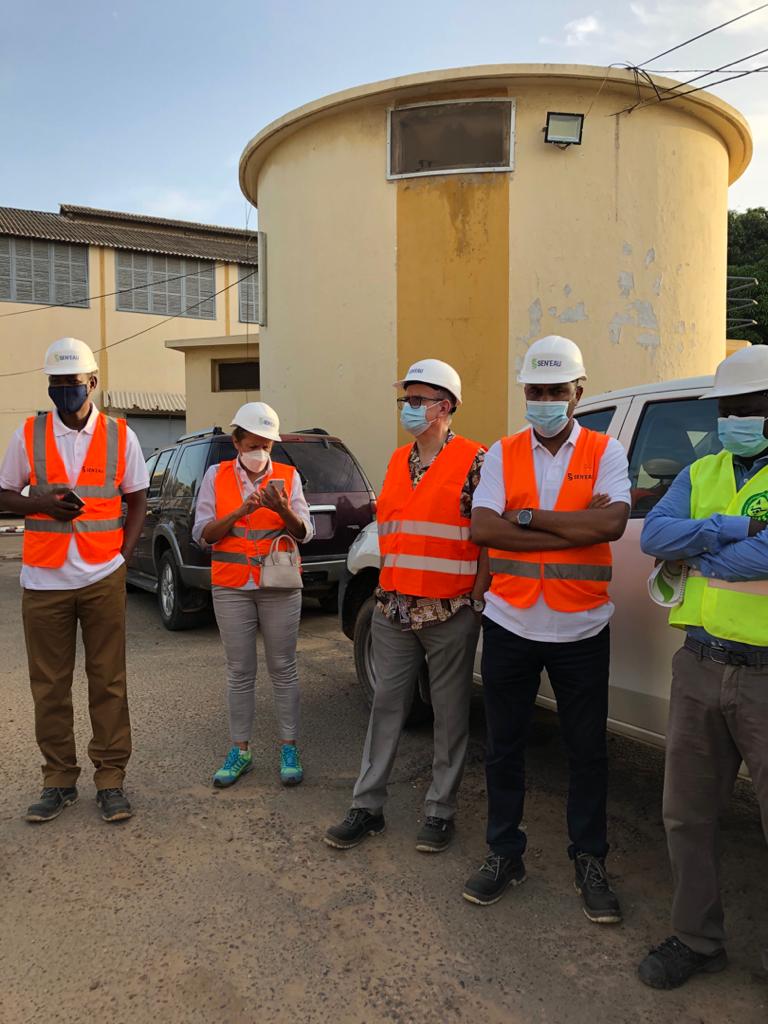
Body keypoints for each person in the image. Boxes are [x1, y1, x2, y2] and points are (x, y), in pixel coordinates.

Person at [464, 335, 631, 922]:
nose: (544, 400)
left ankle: (589, 859)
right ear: (524, 392)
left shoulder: (605, 451)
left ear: (577, 393)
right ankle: (504, 853)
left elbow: (610, 523)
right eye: (535, 391)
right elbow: (484, 529)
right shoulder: (502, 453)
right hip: (511, 622)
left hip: (581, 627)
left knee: (587, 753)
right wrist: (571, 528)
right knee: (503, 747)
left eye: (556, 391)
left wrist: (531, 518)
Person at [637, 345, 768, 989]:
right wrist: (728, 529)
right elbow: (653, 537)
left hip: (766, 676)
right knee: (687, 814)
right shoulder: (704, 469)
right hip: (699, 664)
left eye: (750, 408)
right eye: (729, 409)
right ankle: (697, 938)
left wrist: (701, 550)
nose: (736, 419)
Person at [325, 359, 487, 854]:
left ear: (446, 406)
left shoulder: (477, 461)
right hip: (394, 609)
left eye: (417, 400)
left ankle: (440, 811)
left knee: (450, 714)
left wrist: (476, 599)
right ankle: (366, 806)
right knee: (385, 708)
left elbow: (488, 539)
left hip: (449, 611)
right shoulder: (398, 462)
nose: (408, 408)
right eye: (406, 400)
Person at [0, 337, 148, 823]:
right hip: (43, 579)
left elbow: (137, 500)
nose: (65, 390)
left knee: (108, 681)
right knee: (49, 686)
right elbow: (3, 496)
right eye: (57, 383)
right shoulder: (28, 434)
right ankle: (58, 780)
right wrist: (39, 502)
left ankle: (110, 779)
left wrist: (122, 558)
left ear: (93, 383)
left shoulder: (120, 435)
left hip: (102, 574)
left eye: (74, 382)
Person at [193, 402, 313, 788]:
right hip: (231, 586)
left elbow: (305, 532)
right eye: (253, 444)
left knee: (284, 667)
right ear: (237, 442)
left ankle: (289, 747)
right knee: (240, 672)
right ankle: (240, 750)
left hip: (279, 586)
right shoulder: (216, 475)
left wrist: (283, 511)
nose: (260, 452)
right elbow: (204, 534)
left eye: (267, 445)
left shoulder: (289, 478)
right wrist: (238, 512)